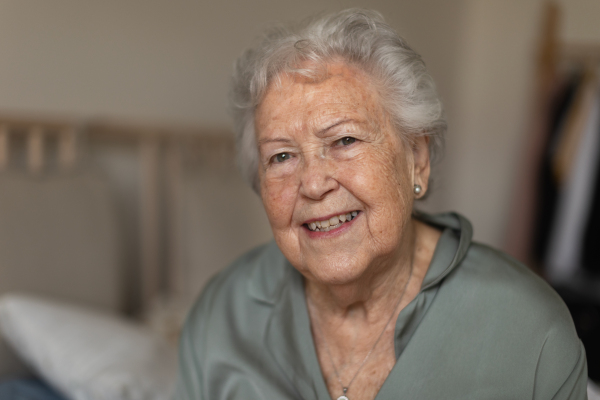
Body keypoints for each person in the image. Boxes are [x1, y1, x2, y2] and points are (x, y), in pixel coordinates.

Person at [175, 9, 587, 400]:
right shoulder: (222, 314)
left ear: (417, 160)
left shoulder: (530, 331)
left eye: (344, 140)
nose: (313, 183)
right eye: (281, 156)